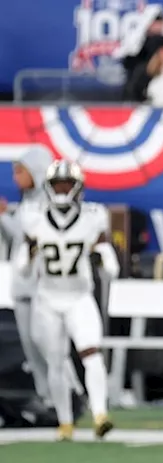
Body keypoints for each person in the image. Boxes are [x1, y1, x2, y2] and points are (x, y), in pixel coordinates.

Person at [20, 161, 117, 441]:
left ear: (78, 188)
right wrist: (28, 253)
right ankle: (65, 422)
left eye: (67, 184)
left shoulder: (93, 216)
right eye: (57, 185)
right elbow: (21, 269)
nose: (62, 189)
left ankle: (100, 414)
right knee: (56, 361)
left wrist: (104, 259)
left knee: (91, 353)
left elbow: (110, 261)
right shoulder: (33, 217)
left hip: (78, 296)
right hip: (47, 299)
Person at [1, 147, 55, 408]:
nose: (16, 178)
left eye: (20, 172)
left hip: (44, 286)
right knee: (30, 345)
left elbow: (27, 235)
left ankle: (66, 395)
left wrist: (2, 215)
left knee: (46, 344)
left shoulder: (49, 201)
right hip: (23, 285)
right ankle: (45, 396)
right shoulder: (25, 202)